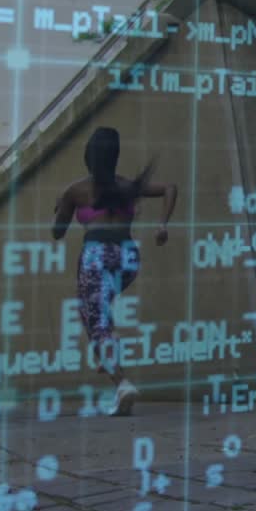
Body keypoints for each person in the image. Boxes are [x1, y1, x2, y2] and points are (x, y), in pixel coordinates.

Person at [52, 126, 177, 416]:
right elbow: (170, 187)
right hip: (127, 257)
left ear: (88, 156)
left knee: (94, 321)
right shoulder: (126, 186)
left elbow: (57, 233)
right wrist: (162, 225)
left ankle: (121, 383)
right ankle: (109, 345)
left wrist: (59, 207)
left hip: (96, 255)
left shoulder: (76, 190)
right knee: (100, 310)